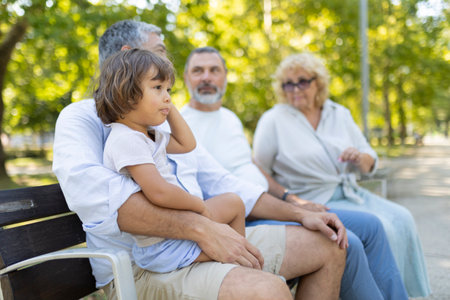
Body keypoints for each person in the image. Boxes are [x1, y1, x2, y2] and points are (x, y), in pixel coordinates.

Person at [53, 20, 347, 300]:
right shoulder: (84, 120)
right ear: (130, 60)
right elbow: (106, 200)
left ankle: (236, 262)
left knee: (328, 244)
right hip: (141, 266)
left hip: (197, 233)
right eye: (159, 58)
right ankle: (238, 267)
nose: (169, 81)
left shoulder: (153, 126)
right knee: (267, 290)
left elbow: (221, 179)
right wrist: (200, 225)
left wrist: (300, 212)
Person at [181, 46, 409, 300]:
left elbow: (252, 166)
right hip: (246, 216)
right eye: (198, 71)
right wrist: (295, 208)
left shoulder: (230, 118)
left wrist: (291, 199)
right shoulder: (181, 125)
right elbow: (216, 189)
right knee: (344, 240)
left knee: (372, 225)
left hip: (272, 203)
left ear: (225, 75)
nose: (206, 78)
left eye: (214, 70)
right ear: (185, 78)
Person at [252, 52, 431, 298]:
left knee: (403, 217)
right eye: (288, 83)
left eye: (302, 81)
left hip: (350, 192)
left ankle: (406, 293)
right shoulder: (274, 119)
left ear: (318, 83)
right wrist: (289, 197)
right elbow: (258, 168)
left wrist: (358, 157)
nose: (295, 89)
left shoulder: (339, 113)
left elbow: (369, 158)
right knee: (383, 227)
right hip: (312, 199)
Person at [95, 48, 246, 272]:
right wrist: (198, 206)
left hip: (177, 231)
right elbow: (159, 192)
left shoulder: (147, 135)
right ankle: (240, 264)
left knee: (234, 203)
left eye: (169, 90)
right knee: (234, 254)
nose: (167, 96)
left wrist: (166, 104)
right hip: (162, 246)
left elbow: (187, 144)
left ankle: (240, 260)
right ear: (126, 94)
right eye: (157, 88)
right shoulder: (126, 139)